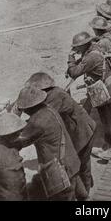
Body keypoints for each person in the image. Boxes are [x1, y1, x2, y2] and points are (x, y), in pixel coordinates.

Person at [25, 72, 96, 200]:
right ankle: (84, 194)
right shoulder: (53, 93)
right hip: (79, 130)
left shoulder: (54, 97)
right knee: (77, 165)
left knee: (81, 165)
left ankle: (85, 194)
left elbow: (40, 119)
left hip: (83, 132)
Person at [67, 32, 111, 161]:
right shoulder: (95, 47)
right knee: (108, 119)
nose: (75, 49)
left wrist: (70, 59)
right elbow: (85, 61)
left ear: (84, 45)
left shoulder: (91, 57)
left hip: (109, 92)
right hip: (108, 88)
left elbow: (74, 72)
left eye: (77, 47)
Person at [15, 85, 81, 201]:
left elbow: (18, 141)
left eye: (23, 108)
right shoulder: (48, 109)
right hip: (71, 163)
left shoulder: (38, 122)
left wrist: (14, 116)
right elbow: (31, 124)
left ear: (29, 108)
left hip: (61, 171)